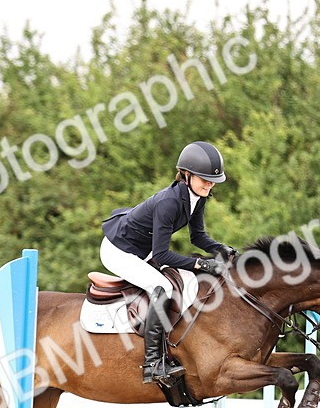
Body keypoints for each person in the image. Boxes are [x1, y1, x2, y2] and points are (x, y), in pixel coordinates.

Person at [100, 141, 236, 384]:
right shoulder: (169, 202)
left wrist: (220, 248)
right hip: (119, 250)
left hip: (141, 249)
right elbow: (161, 255)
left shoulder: (198, 196)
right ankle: (152, 363)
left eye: (212, 179)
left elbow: (198, 237)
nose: (209, 183)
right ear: (186, 174)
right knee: (162, 288)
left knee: (183, 280)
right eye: (203, 178)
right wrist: (203, 265)